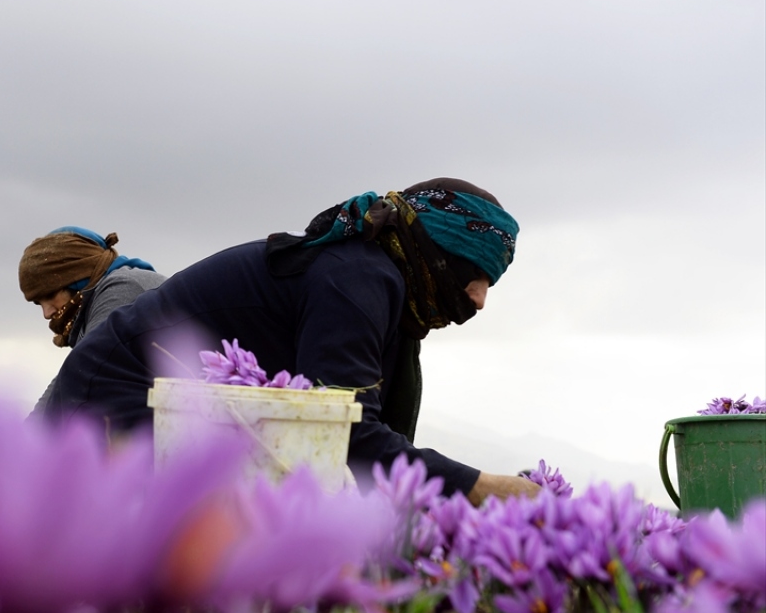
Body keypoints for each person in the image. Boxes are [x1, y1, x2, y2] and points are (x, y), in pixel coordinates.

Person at [41, 179, 541, 505]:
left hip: (163, 401)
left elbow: (349, 435)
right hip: (118, 394)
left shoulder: (379, 282)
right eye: (474, 275)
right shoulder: (356, 279)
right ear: (435, 250)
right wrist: (480, 487)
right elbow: (347, 431)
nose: (478, 300)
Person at [19, 227, 167, 412]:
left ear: (76, 278)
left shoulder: (122, 286)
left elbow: (85, 373)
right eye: (37, 303)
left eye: (49, 295)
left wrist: (31, 437)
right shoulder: (94, 303)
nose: (46, 313)